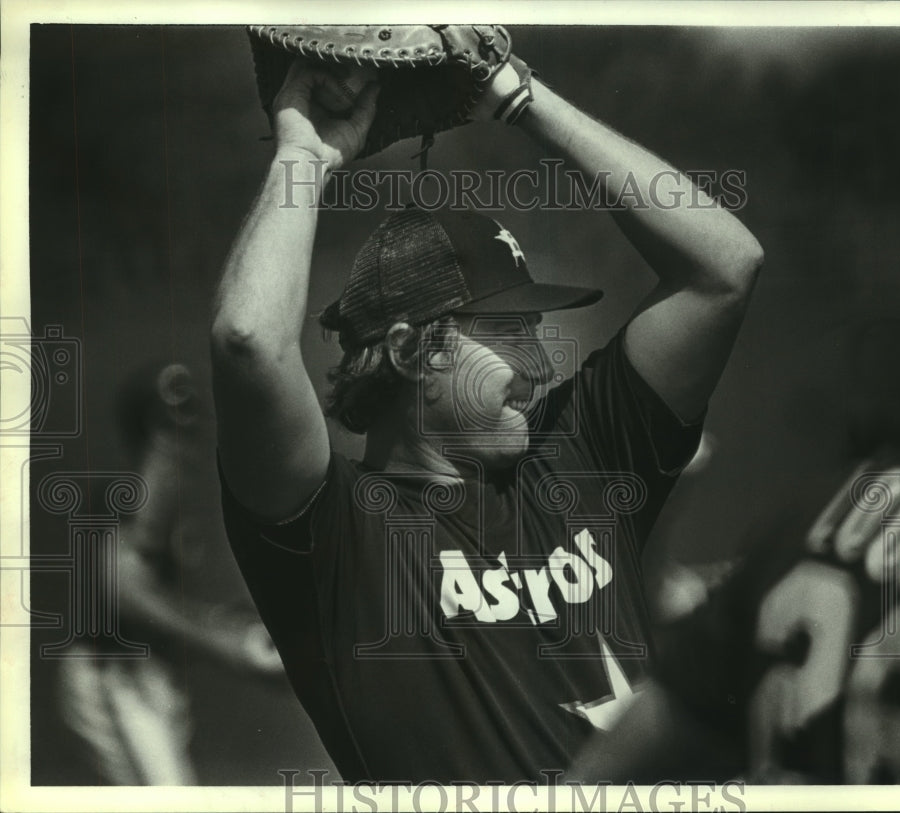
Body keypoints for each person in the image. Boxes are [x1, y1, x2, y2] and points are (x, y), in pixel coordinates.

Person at [211, 50, 763, 782]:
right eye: (506, 334)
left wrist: (516, 97)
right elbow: (248, 343)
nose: (539, 365)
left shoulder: (581, 460)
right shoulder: (337, 537)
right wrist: (304, 154)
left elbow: (726, 269)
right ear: (410, 352)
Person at [57, 362, 284, 785]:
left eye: (188, 426)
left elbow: (167, 614)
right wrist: (224, 640)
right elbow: (121, 591)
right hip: (114, 672)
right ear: (144, 433)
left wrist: (241, 628)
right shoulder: (119, 497)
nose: (180, 442)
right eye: (166, 427)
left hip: (153, 677)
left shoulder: (175, 521)